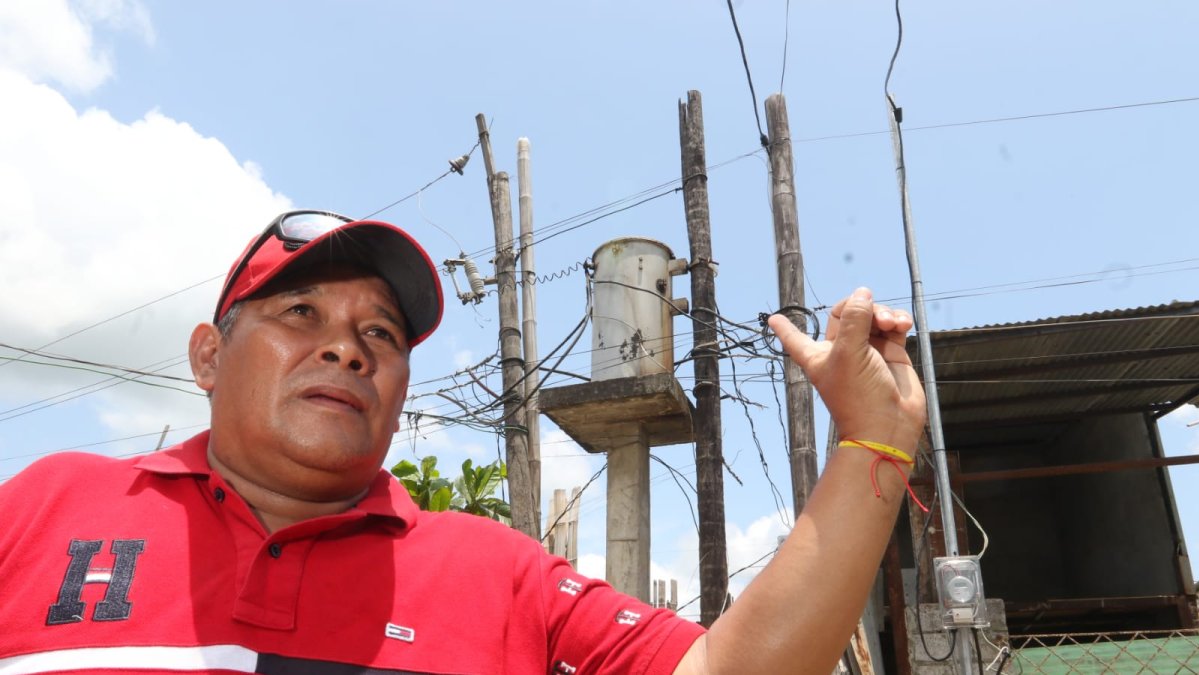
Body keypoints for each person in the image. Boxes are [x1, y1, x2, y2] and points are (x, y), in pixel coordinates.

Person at [0, 210, 925, 675]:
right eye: (301, 312)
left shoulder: (500, 574)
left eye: (382, 335)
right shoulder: (44, 506)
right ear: (210, 353)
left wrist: (871, 447)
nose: (345, 347)